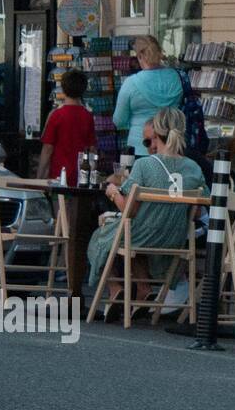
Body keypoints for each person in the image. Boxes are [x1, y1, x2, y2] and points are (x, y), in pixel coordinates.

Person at [86, 107, 208, 321]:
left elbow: (129, 210)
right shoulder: (193, 168)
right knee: (132, 238)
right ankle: (143, 289)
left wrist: (113, 193)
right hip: (174, 238)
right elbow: (198, 210)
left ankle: (115, 288)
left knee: (100, 237)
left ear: (158, 135)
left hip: (142, 234)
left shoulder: (144, 165)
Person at [113, 35, 183, 154]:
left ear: (139, 56)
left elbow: (118, 120)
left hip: (140, 146)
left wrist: (132, 122)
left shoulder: (131, 83)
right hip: (170, 145)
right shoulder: (174, 77)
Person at [37, 69, 96, 181]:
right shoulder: (88, 116)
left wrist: (39, 177)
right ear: (83, 89)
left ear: (63, 89)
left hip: (58, 176)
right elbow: (92, 148)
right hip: (80, 176)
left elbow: (47, 149)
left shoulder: (56, 115)